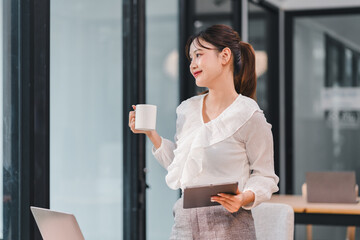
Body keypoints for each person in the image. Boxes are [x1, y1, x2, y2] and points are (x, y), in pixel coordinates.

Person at [128, 24, 279, 240]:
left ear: (224, 56)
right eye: (190, 58)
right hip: (184, 221)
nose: (193, 64)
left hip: (229, 224)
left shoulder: (249, 115)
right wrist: (151, 134)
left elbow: (265, 176)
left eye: (199, 55)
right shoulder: (187, 110)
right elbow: (182, 167)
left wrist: (243, 198)